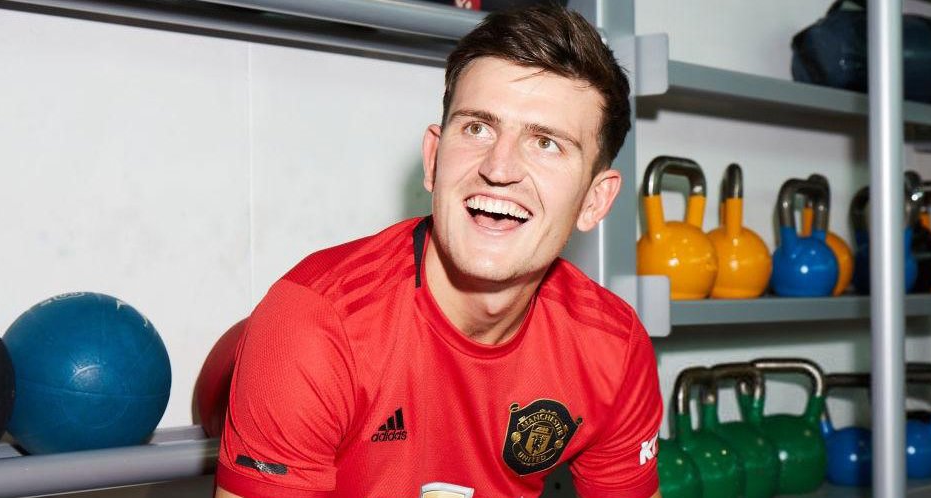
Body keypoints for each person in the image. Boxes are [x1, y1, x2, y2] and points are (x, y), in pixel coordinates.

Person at [215, 4, 662, 497]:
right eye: (477, 128)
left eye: (546, 143)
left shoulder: (613, 348)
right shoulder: (316, 324)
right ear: (433, 159)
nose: (499, 167)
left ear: (595, 200)